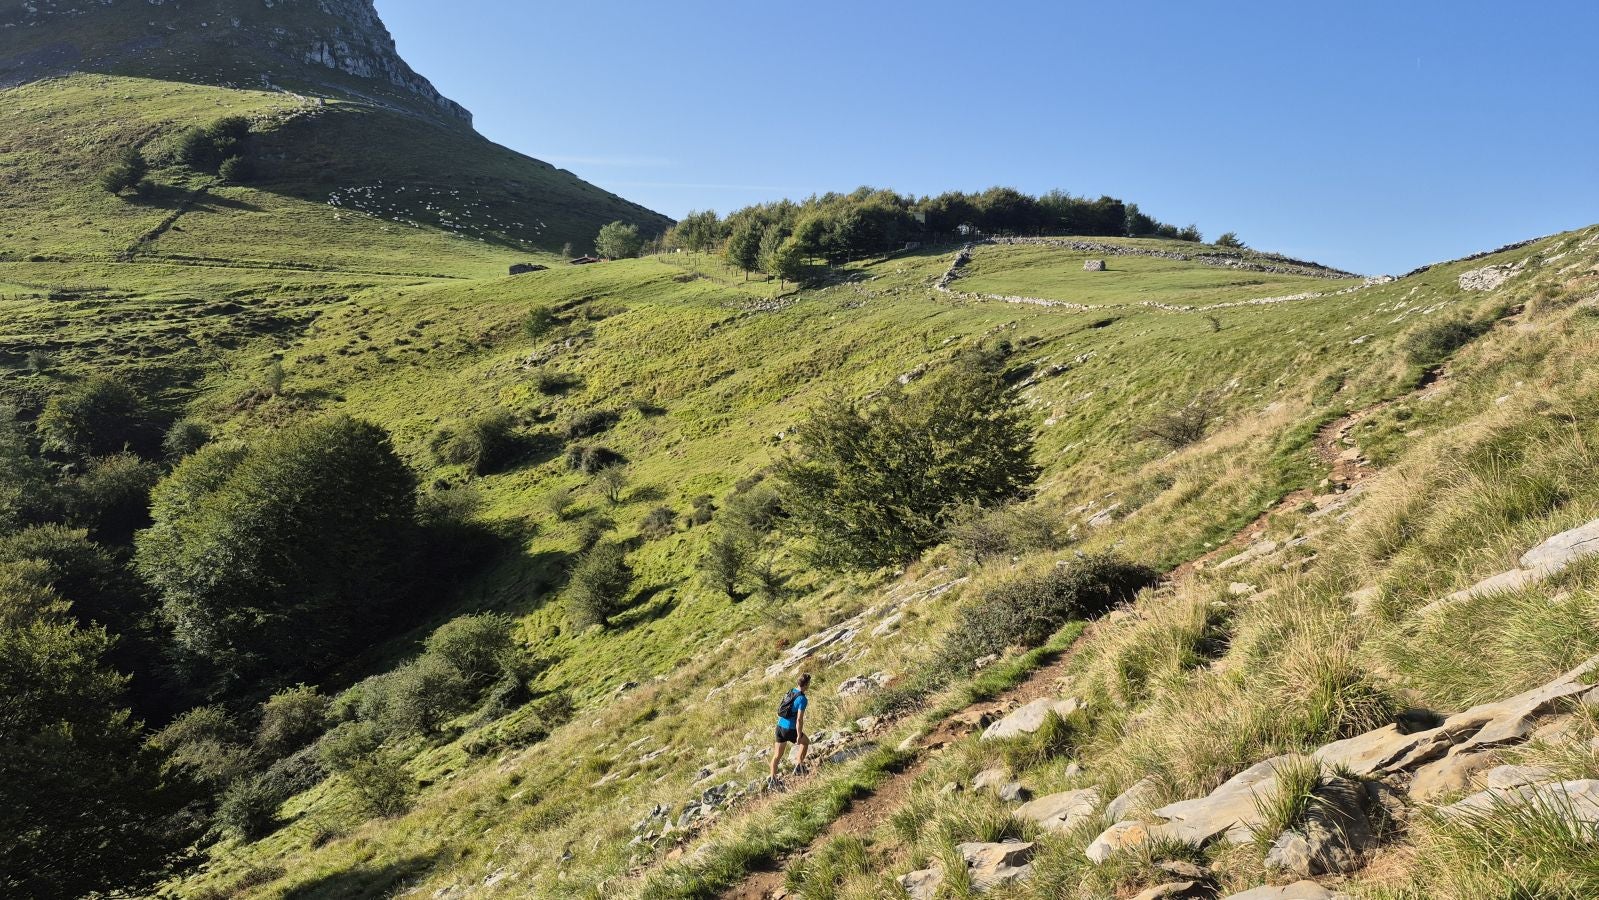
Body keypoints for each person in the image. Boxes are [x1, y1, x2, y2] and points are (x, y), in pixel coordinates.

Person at [767, 672, 812, 789]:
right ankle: (799, 766)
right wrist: (798, 735)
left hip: (779, 727)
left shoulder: (790, 691)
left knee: (777, 755)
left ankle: (773, 781)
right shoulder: (802, 699)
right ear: (806, 684)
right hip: (790, 729)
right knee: (805, 742)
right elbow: (799, 720)